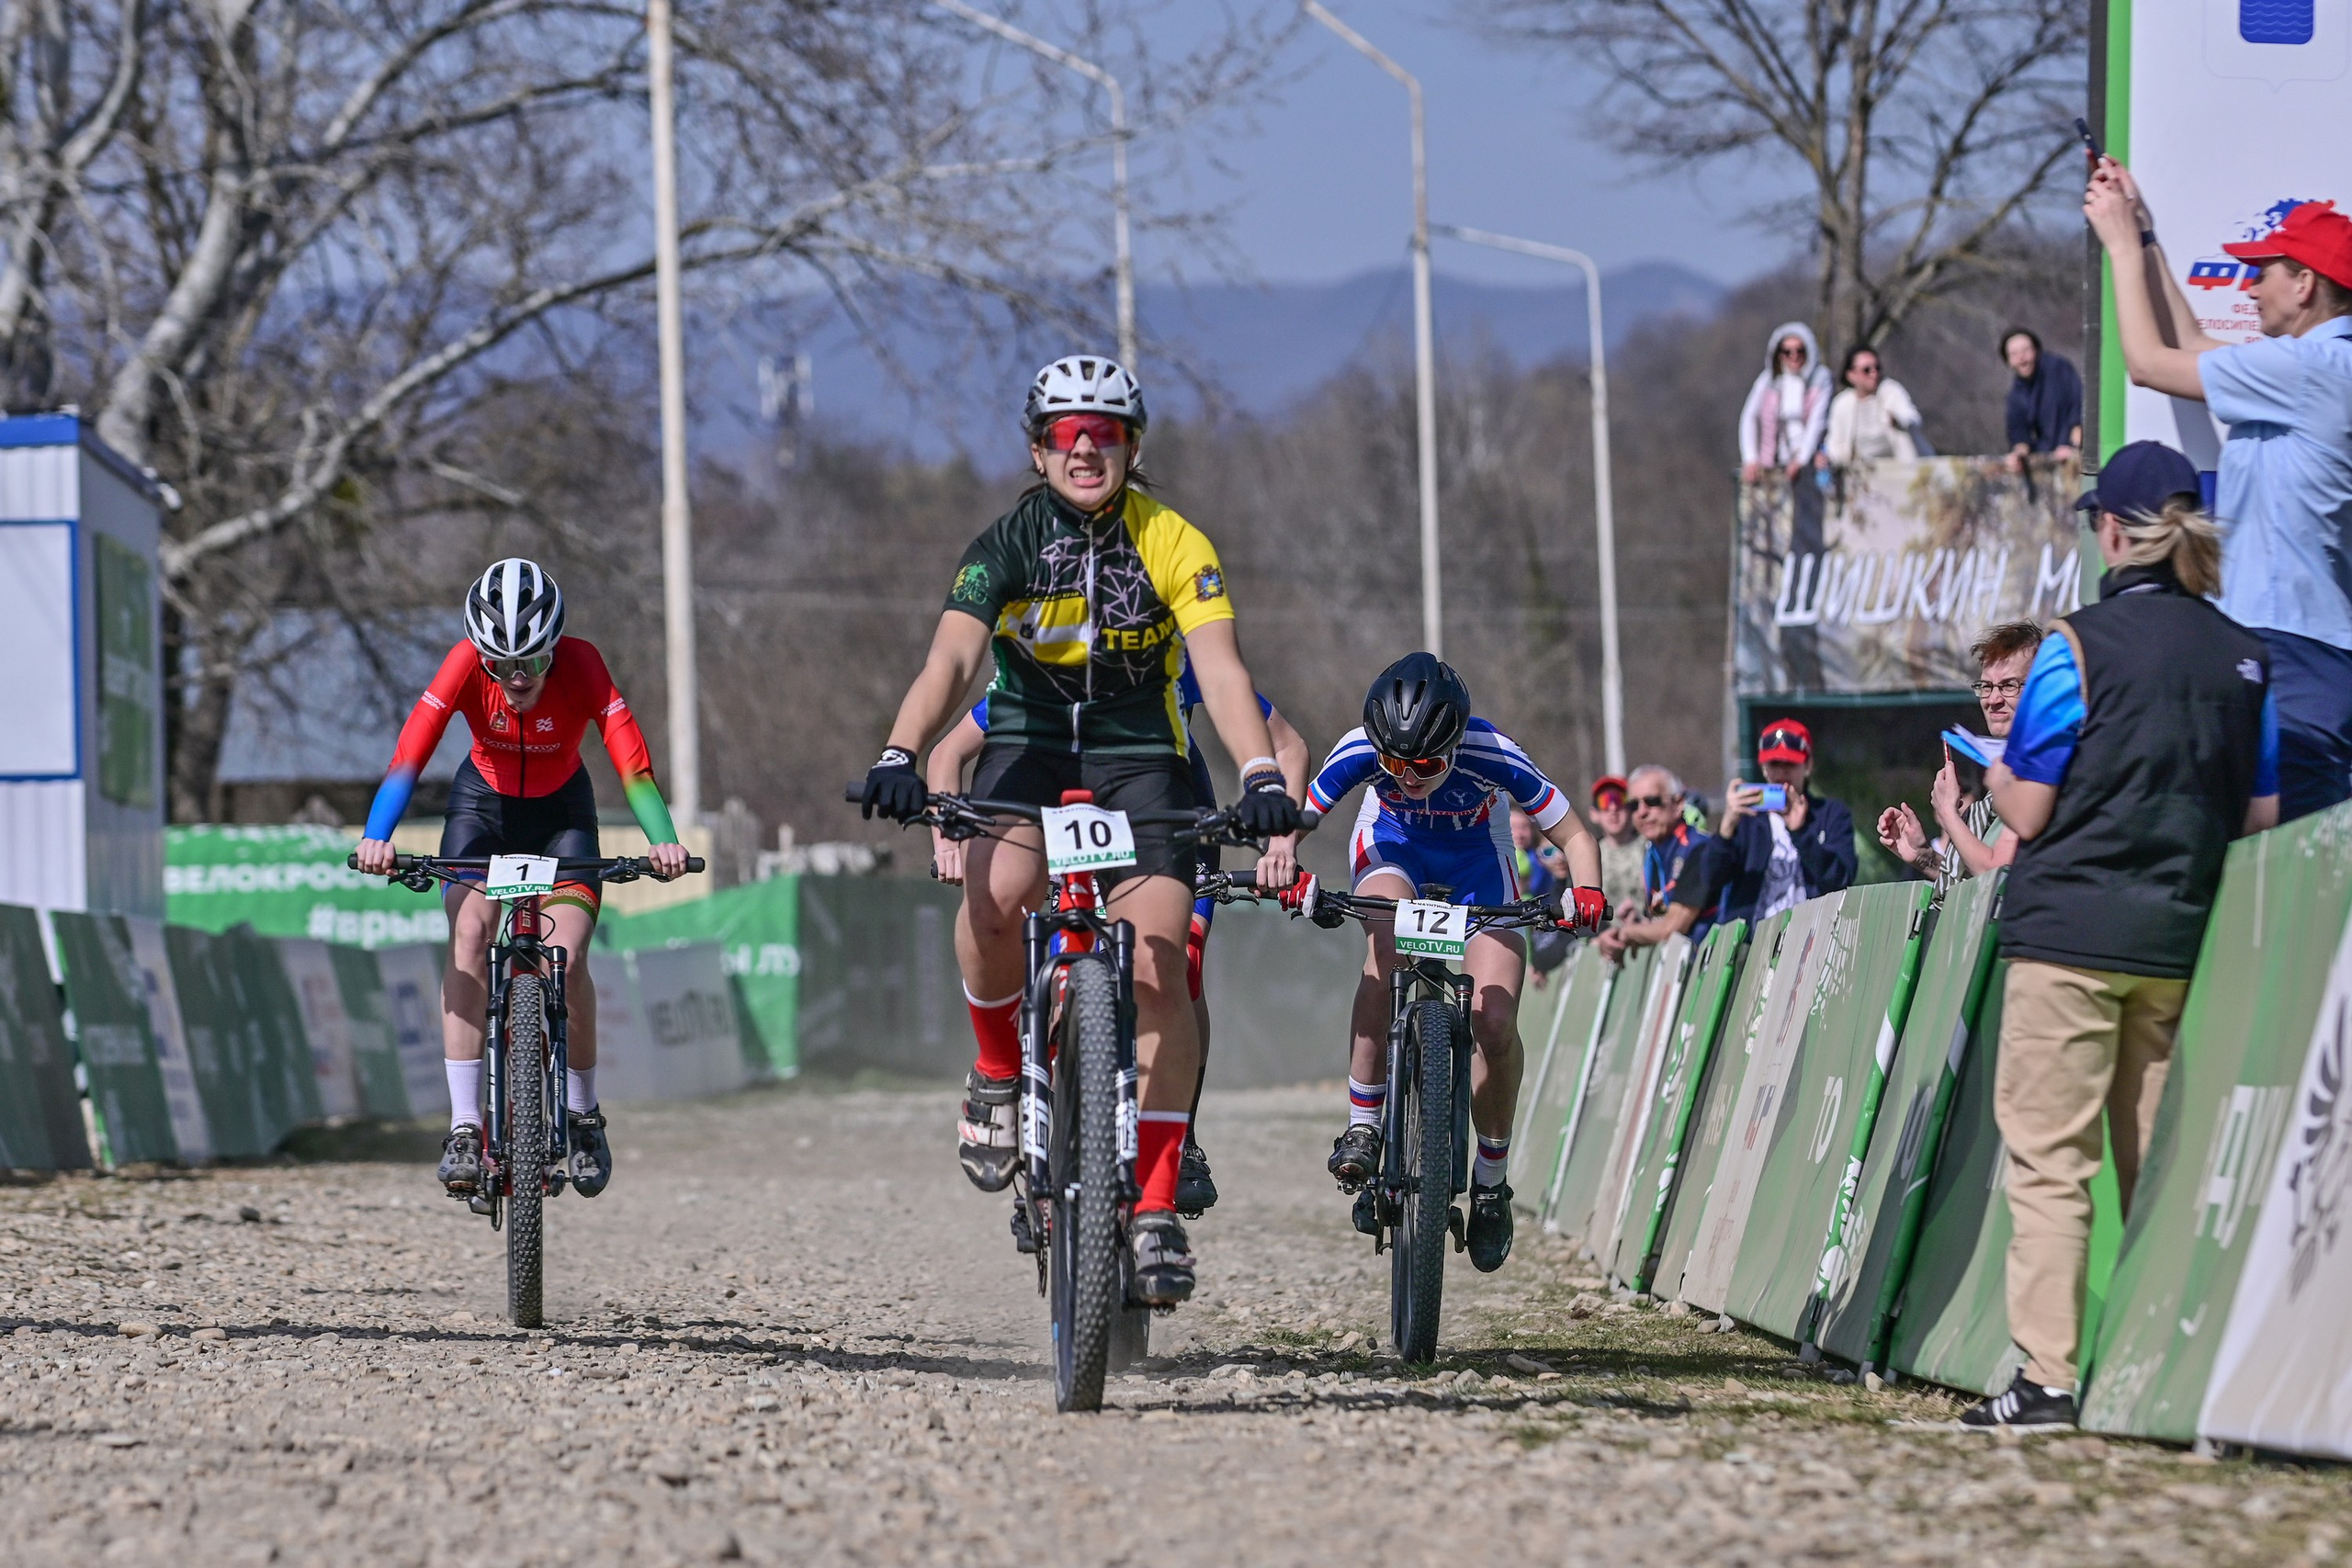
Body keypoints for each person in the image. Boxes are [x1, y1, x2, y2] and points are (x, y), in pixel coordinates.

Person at [857, 355, 1301, 1307]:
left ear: (1134, 446)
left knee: (1159, 962)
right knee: (995, 897)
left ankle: (1151, 1208)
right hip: (1025, 748)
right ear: (1037, 448)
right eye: (1066, 432)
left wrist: (1259, 771)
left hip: (1143, 756)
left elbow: (1222, 673)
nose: (1086, 445)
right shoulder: (1006, 541)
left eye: (1105, 431)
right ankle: (991, 1071)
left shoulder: (1175, 539)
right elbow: (953, 655)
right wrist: (903, 750)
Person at [1965, 441, 2279, 1429]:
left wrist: (1987, 778)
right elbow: (2262, 819)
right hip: (2183, 941)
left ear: (2110, 530)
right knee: (2161, 1167)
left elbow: (2025, 808)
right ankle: (2165, 1374)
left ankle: (2048, 1381)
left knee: (2052, 1164)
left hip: (2067, 940)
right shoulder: (2246, 655)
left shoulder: (2073, 647)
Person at [924, 649, 1310, 1214]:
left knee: (1179, 967)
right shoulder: (1052, 668)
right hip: (1066, 825)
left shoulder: (1179, 659)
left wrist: (1281, 843)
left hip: (1170, 817)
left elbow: (1289, 745)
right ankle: (1041, 1124)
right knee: (1047, 958)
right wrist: (947, 840)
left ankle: (1182, 1139)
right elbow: (948, 752)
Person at [355, 558, 692, 1200]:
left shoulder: (586, 664)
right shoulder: (461, 665)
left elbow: (634, 766)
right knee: (471, 934)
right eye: (499, 663)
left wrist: (663, 840)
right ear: (478, 653)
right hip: (482, 807)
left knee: (570, 950)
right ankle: (462, 1125)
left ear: (554, 649)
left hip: (562, 813)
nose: (515, 680)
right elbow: (410, 754)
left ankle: (584, 1113)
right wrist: (379, 834)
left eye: (532, 664)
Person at [1264, 654, 1604, 1273]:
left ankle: (1492, 1179)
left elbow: (1577, 836)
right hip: (1394, 843)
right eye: (1393, 765)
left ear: (1454, 743)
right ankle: (1364, 1122)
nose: (1408, 775)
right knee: (1384, 947)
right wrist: (1282, 861)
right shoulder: (1360, 748)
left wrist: (1586, 893)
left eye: (1425, 765)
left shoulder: (1491, 748)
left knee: (1495, 1018)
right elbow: (1297, 822)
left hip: (1479, 854)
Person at [2086, 164, 2352, 822]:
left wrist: (2117, 245)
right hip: (2293, 653)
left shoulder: (2312, 369)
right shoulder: (2313, 366)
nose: (2250, 284)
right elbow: (2194, 346)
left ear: (2307, 282)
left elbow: (2149, 363)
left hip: (2295, 659)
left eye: (2263, 270)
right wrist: (2146, 238)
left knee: (2287, 885)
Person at [1876, 619, 2042, 891]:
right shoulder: (2015, 766)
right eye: (1986, 687)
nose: (1993, 699)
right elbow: (1980, 889)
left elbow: (1994, 876)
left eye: (2009, 685)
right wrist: (1924, 858)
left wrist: (1948, 814)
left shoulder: (2041, 764)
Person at [1706, 718, 1856, 926]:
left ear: (1808, 766)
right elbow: (1711, 880)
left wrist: (1801, 832)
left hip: (1811, 938)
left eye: (1791, 763)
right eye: (1775, 764)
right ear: (1764, 769)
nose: (1782, 772)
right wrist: (1727, 827)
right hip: (1751, 942)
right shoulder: (1747, 818)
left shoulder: (1831, 814)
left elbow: (1840, 880)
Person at [1594, 764, 1715, 957]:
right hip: (1682, 970)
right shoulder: (1652, 854)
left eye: (1652, 801)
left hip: (1717, 967)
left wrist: (1626, 934)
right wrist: (1635, 925)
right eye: (1633, 805)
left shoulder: (1699, 850)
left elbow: (1672, 929)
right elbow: (1660, 920)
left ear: (1677, 804)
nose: (1642, 812)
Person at [1738, 322, 1832, 484]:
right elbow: (1749, 416)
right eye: (1787, 351)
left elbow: (1817, 422)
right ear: (1778, 354)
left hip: (1811, 462)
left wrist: (1802, 460)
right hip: (1774, 460)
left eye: (1800, 351)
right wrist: (1751, 458)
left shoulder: (1821, 379)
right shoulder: (1768, 380)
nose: (1794, 356)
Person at [1823, 345, 1927, 467]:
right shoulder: (1842, 403)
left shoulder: (1890, 391)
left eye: (1877, 368)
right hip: (1863, 475)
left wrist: (1898, 420)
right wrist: (1829, 457)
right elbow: (1835, 443)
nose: (1874, 374)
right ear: (1851, 375)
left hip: (1901, 470)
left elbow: (1913, 418)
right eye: (1866, 370)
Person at [2000, 329, 2084, 472]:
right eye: (2014, 354)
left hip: (2077, 454)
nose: (2021, 358)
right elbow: (2019, 432)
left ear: (2036, 350)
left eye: (2026, 350)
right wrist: (2018, 455)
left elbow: (2079, 407)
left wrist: (2073, 447)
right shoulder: (2015, 394)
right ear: (2008, 361)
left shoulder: (2058, 368)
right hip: (2050, 457)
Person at [1587, 774, 1644, 919]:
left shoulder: (1650, 848)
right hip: (1603, 937)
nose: (1613, 808)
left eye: (1619, 799)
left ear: (1631, 807)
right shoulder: (1589, 854)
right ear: (1594, 814)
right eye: (1604, 801)